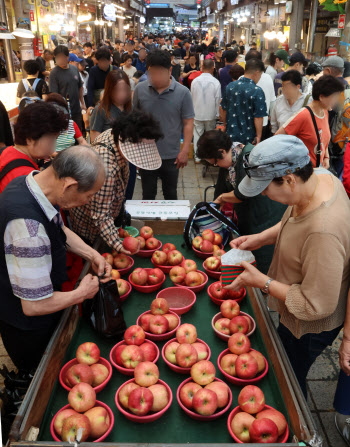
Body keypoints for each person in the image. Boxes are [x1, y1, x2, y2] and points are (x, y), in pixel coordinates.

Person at [225, 134, 350, 399]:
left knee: (290, 375)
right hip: (299, 300)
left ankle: (299, 429)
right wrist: (261, 238)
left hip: (309, 324)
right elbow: (294, 220)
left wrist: (263, 282)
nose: (264, 195)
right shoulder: (319, 177)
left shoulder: (323, 232)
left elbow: (315, 306)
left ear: (290, 179)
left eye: (266, 188)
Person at [0, 145, 111, 374]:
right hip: (28, 326)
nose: (88, 202)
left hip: (33, 301)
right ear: (69, 185)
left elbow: (56, 227)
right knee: (38, 373)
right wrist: (81, 293)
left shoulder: (30, 185)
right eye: (88, 195)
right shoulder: (29, 231)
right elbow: (34, 305)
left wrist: (92, 254)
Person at [70, 110, 163, 252]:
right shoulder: (106, 167)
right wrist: (119, 245)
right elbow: (100, 215)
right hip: (91, 228)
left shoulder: (115, 134)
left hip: (106, 215)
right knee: (94, 255)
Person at [196, 130, 286, 274]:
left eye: (215, 163)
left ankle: (265, 290)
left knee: (264, 259)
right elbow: (219, 193)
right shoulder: (228, 162)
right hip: (251, 218)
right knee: (252, 255)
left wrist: (222, 198)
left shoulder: (249, 157)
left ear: (222, 151)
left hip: (266, 218)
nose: (216, 166)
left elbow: (243, 194)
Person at [133, 49, 194, 200]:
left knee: (171, 194)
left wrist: (185, 150)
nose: (155, 77)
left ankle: (170, 224)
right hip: (147, 154)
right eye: (151, 72)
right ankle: (149, 224)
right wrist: (135, 151)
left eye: (160, 72)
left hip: (172, 155)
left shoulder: (183, 92)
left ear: (170, 70)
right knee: (147, 194)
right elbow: (134, 120)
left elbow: (188, 123)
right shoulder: (140, 89)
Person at [276, 75, 344, 169]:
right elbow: (277, 137)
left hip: (317, 169)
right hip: (302, 172)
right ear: (321, 97)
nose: (336, 101)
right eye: (334, 97)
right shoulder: (303, 115)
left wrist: (326, 157)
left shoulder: (324, 112)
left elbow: (324, 139)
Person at [0, 102, 69, 193]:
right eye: (52, 139)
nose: (53, 148)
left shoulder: (6, 152)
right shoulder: (28, 179)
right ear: (30, 139)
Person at [222, 58, 267, 145]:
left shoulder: (230, 87)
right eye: (260, 75)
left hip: (231, 134)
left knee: (231, 157)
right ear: (256, 73)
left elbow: (224, 109)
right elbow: (258, 117)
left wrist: (225, 125)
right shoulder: (257, 91)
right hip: (249, 137)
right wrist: (259, 136)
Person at [49, 45, 86, 132]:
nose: (60, 60)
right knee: (66, 137)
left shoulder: (74, 69)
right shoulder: (54, 73)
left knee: (78, 134)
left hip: (76, 109)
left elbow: (80, 87)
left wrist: (82, 103)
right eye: (57, 57)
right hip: (63, 113)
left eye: (62, 57)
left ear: (67, 57)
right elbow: (54, 96)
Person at [191, 59, 221, 163]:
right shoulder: (216, 82)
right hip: (210, 113)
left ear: (202, 67)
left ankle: (198, 157)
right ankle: (209, 157)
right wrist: (217, 113)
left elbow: (192, 97)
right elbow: (218, 99)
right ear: (213, 68)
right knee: (210, 136)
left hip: (197, 112)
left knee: (197, 134)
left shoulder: (195, 81)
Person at [90, 70, 131, 143]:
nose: (121, 94)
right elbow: (94, 141)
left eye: (124, 89)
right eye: (116, 90)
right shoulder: (101, 109)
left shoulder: (131, 108)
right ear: (109, 90)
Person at [245, 50, 276, 141]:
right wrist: (272, 119)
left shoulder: (242, 78)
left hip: (245, 122)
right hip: (263, 122)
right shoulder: (268, 78)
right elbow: (272, 100)